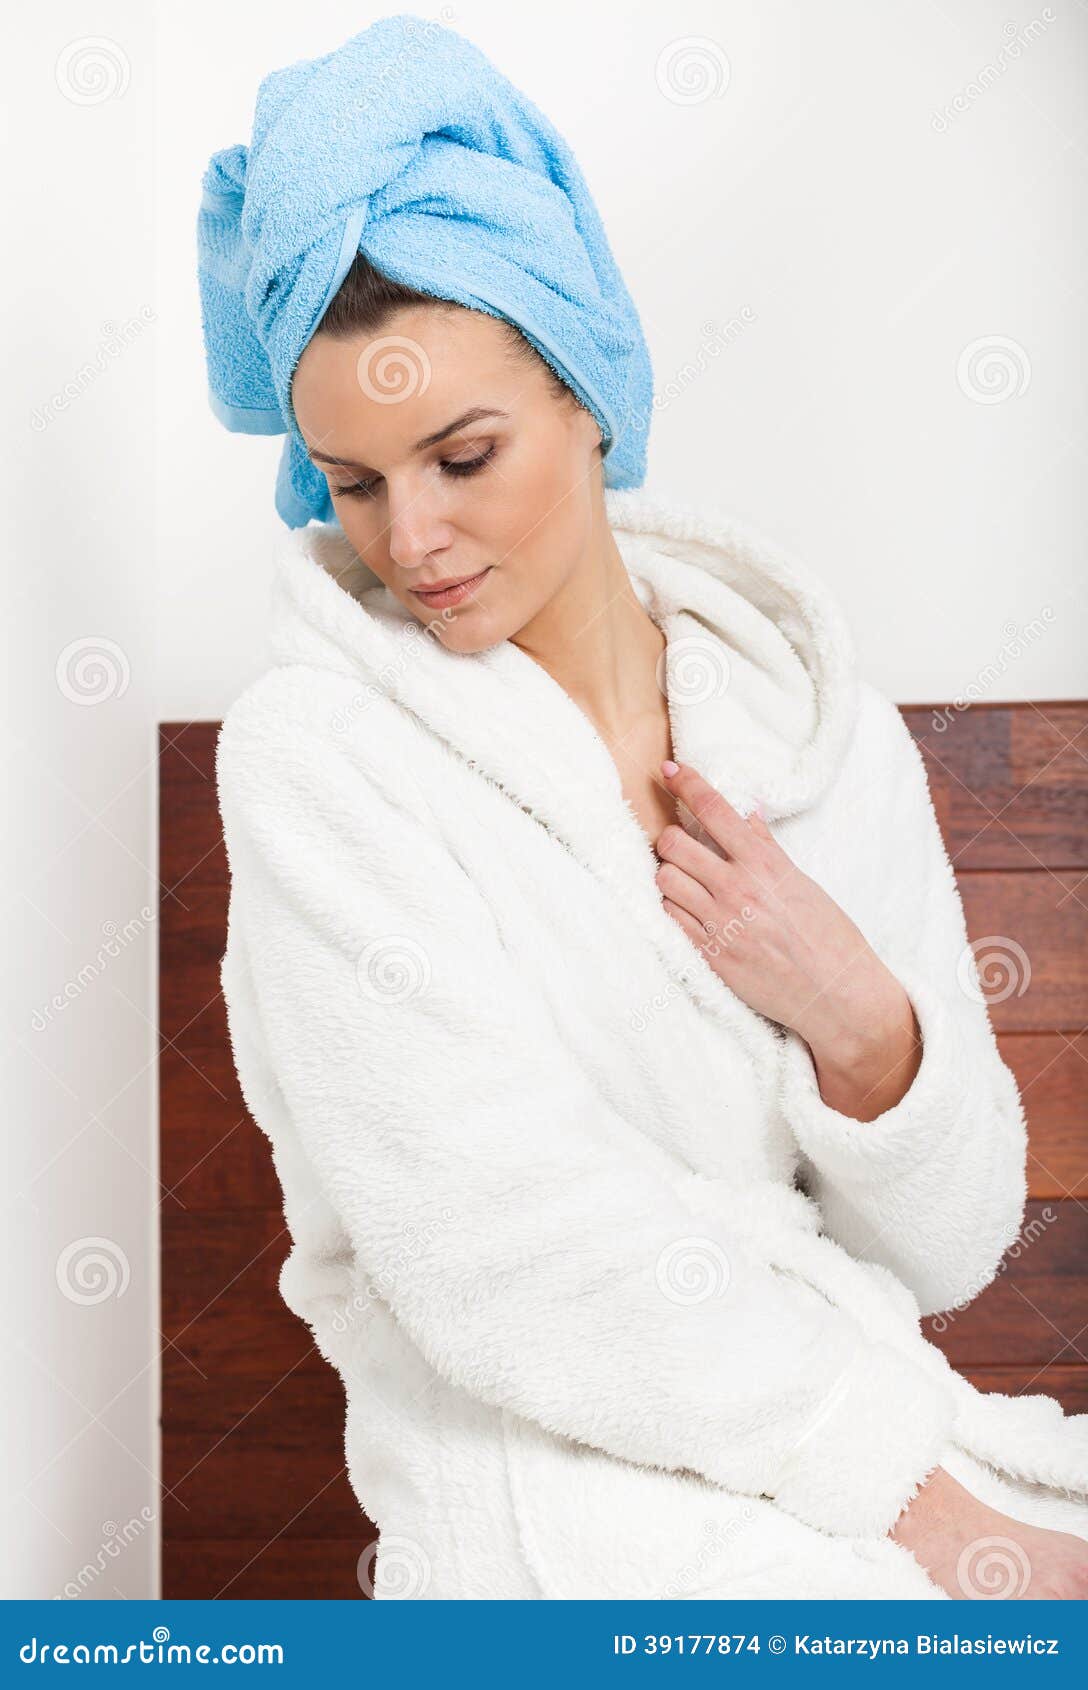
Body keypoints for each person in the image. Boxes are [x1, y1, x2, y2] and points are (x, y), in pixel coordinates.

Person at [203, 18, 1088, 1601]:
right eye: (350, 481)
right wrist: (923, 1502)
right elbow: (499, 1242)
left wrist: (864, 1026)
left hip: (860, 1462)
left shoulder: (812, 730)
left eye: (463, 453)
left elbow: (949, 1248)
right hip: (559, 1528)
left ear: (589, 394)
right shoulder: (319, 756)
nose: (413, 535)